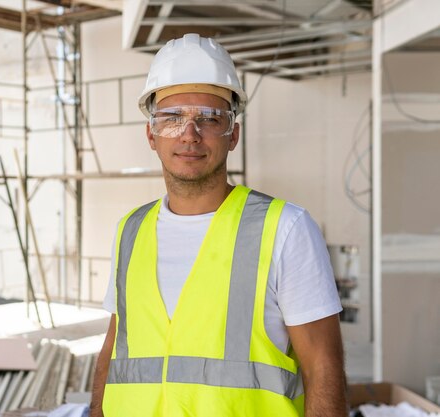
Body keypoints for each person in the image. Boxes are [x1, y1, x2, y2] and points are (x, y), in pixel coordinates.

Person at [89, 33, 347, 417]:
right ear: (151, 134)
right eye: (172, 118)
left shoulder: (285, 229)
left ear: (233, 135)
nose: (190, 134)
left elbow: (323, 369)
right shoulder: (130, 230)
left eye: (210, 118)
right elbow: (114, 349)